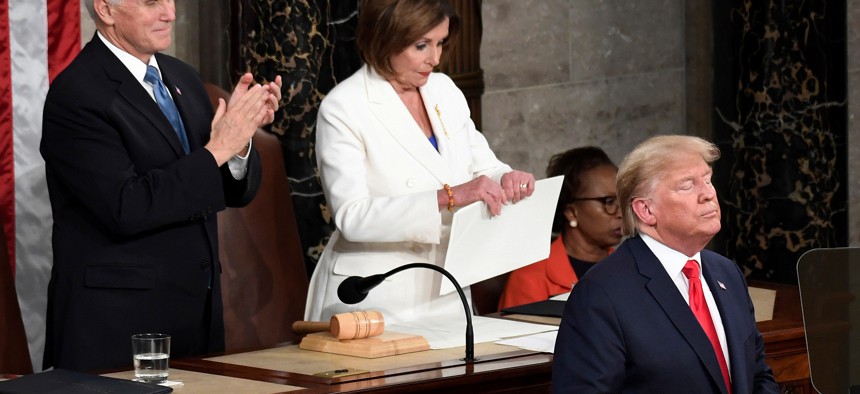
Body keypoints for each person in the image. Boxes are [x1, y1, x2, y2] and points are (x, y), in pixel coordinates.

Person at [40, 0, 282, 372]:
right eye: (152, 2)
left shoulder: (182, 77)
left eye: (170, 0)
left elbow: (231, 192)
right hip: (117, 331)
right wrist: (219, 147)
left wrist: (240, 141)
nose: (170, 13)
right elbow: (127, 207)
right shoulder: (77, 93)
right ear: (106, 9)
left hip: (195, 321)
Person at [305, 0, 535, 324]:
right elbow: (351, 217)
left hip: (445, 286)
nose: (435, 58)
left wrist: (506, 177)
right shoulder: (344, 106)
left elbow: (484, 168)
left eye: (440, 43)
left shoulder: (444, 90)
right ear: (385, 38)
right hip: (375, 295)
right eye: (421, 46)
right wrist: (447, 197)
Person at [552, 135, 778, 393]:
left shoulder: (727, 272)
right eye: (687, 185)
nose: (708, 194)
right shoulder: (601, 295)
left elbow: (758, 376)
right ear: (646, 211)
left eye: (707, 179)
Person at [498, 147, 621, 310]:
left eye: (623, 200)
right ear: (571, 212)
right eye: (609, 201)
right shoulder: (531, 278)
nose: (620, 213)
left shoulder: (630, 268)